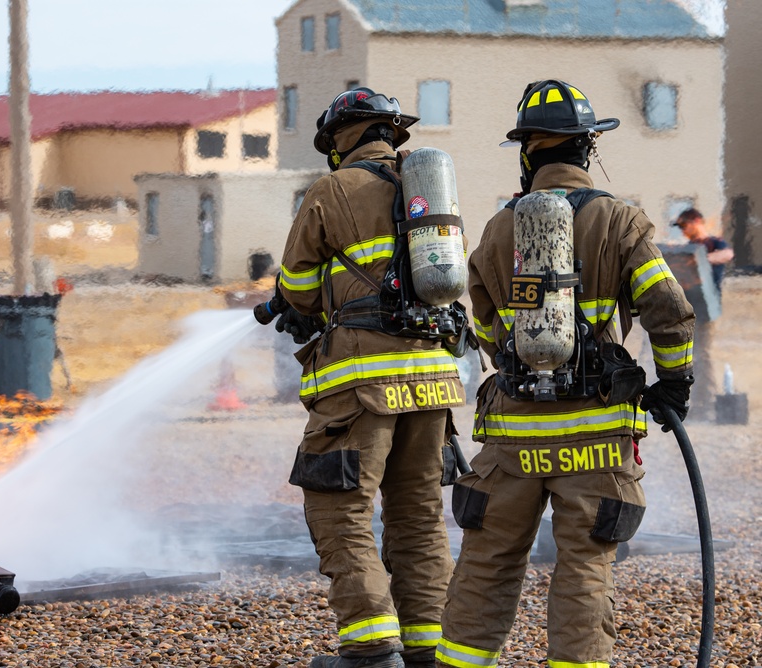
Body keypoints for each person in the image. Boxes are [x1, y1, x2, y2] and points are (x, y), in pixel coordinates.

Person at [436, 80, 695, 668]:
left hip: (512, 435)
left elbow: (484, 328)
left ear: (529, 154)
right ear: (586, 150)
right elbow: (668, 309)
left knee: (487, 560)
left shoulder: (500, 230)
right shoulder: (620, 220)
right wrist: (674, 383)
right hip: (594, 435)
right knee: (584, 565)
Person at [275, 87, 466, 668]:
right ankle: (427, 648)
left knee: (340, 505)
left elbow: (298, 288)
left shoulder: (332, 189)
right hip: (434, 378)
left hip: (363, 381)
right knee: (417, 513)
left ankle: (369, 648)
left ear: (341, 139)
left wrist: (300, 302)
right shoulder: (426, 191)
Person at [673, 207, 734, 410]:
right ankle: (693, 398)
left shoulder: (713, 243)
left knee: (703, 354)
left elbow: (727, 254)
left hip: (707, 311)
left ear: (697, 221)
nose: (683, 231)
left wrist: (701, 260)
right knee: (688, 355)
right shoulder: (689, 248)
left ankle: (706, 399)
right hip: (689, 310)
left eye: (684, 225)